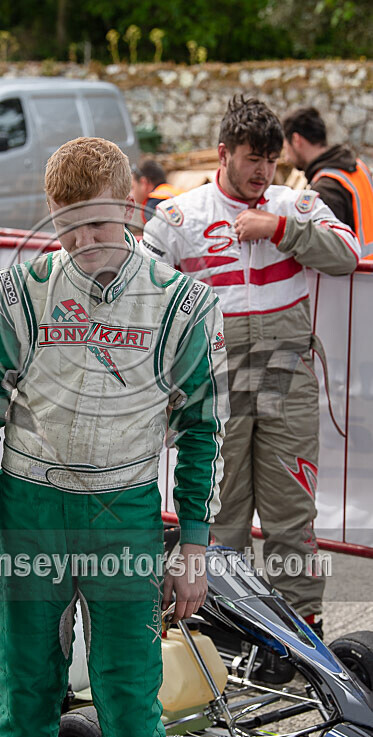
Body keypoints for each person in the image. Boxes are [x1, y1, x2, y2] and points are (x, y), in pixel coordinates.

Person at [0, 136, 229, 737]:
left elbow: (203, 430)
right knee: (24, 699)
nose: (82, 242)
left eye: (97, 223)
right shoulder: (15, 292)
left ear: (131, 206)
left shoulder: (181, 302)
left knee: (131, 703)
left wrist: (194, 546)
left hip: (124, 513)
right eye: (67, 226)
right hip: (29, 510)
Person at [141, 96, 360, 635]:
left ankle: (303, 633)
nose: (263, 171)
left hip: (287, 375)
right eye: (252, 158)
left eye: (272, 159)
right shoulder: (181, 215)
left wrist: (280, 229)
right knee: (220, 514)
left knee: (293, 515)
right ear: (223, 153)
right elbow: (141, 288)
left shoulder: (294, 203)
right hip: (217, 382)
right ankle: (224, 629)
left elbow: (348, 254)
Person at [283, 106, 373, 259]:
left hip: (357, 271)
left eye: (286, 148)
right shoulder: (358, 167)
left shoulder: (326, 188)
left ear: (296, 140)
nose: (286, 158)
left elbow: (328, 253)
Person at [131, 159, 179, 225]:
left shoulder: (153, 204)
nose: (130, 194)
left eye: (132, 187)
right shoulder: (173, 192)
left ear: (144, 182)